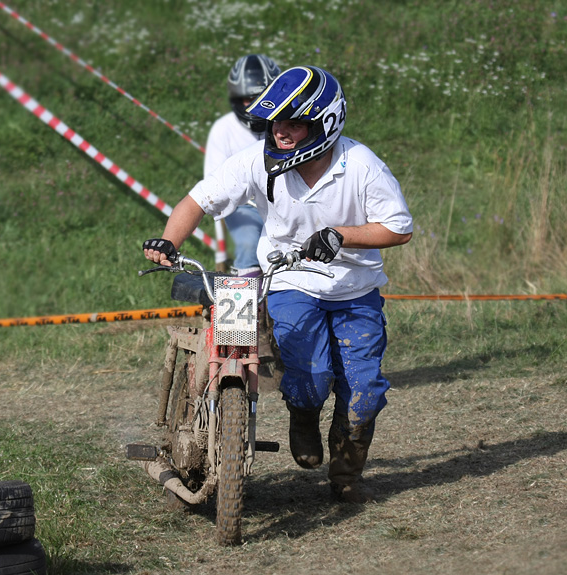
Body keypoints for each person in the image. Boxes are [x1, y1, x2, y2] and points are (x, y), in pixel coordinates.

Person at [143, 66, 413, 503]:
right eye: (275, 122)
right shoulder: (257, 160)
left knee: (362, 394)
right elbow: (198, 199)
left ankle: (345, 475)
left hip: (355, 290)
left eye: (293, 123)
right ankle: (303, 415)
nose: (281, 132)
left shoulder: (361, 165)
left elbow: (399, 228)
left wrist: (343, 234)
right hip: (290, 280)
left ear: (325, 123)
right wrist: (169, 240)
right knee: (309, 378)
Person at [205, 53, 281, 276]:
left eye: (263, 97)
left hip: (285, 201)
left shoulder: (285, 123)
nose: (256, 105)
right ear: (237, 99)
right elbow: (214, 187)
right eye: (249, 99)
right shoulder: (223, 129)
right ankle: (247, 305)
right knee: (250, 243)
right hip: (243, 205)